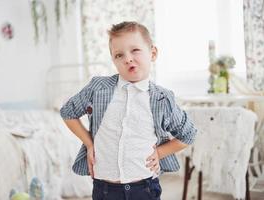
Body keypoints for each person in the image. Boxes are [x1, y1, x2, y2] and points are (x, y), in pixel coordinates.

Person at [60, 21, 196, 200]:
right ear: (114, 61)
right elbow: (68, 112)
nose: (127, 58)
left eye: (135, 50)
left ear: (153, 53)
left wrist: (159, 153)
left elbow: (188, 134)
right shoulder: (99, 88)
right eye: (119, 55)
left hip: (144, 187)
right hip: (104, 187)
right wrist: (89, 143)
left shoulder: (162, 98)